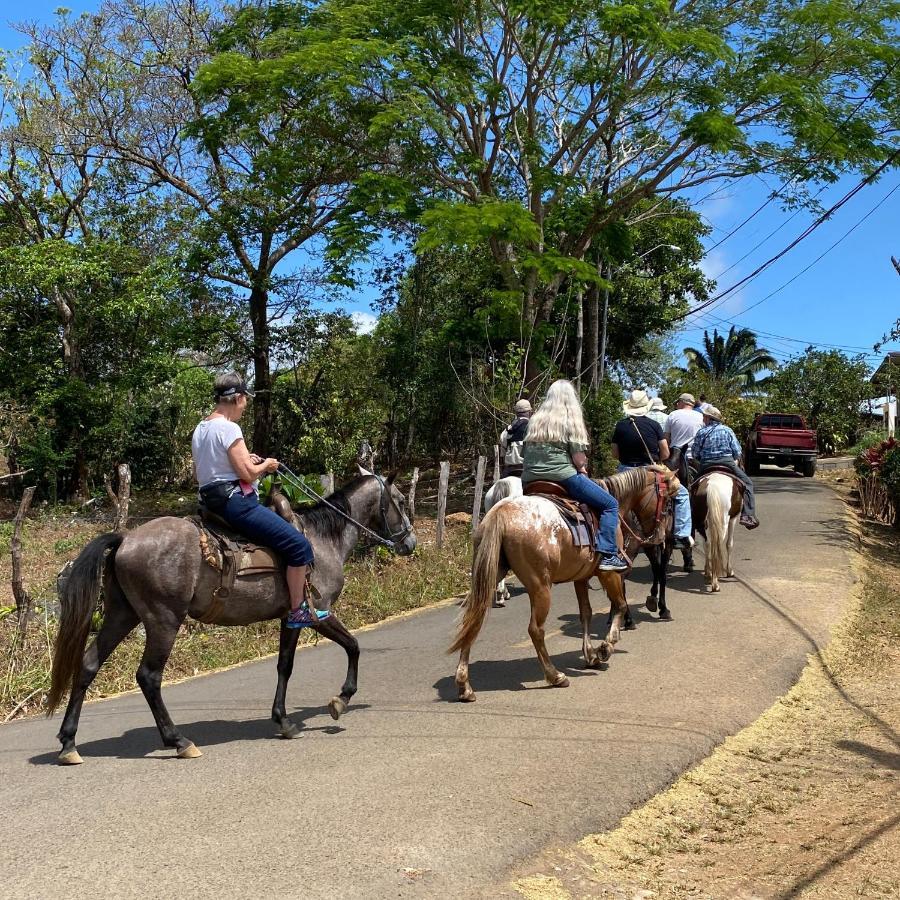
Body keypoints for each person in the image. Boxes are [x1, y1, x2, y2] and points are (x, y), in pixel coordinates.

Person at [191, 373, 318, 628]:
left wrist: (246, 458)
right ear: (237, 398)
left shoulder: (201, 428)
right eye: (244, 401)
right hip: (236, 503)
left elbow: (207, 470)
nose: (245, 407)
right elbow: (247, 474)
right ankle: (297, 611)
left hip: (210, 502)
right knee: (299, 546)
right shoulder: (229, 428)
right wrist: (266, 466)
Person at [522, 380, 628, 572]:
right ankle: (609, 555)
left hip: (530, 480)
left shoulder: (535, 420)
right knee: (610, 504)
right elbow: (579, 460)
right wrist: (582, 467)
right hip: (563, 476)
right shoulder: (570, 420)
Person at [613, 390, 692, 550]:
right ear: (646, 407)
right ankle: (681, 535)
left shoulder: (620, 425)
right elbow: (665, 453)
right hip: (648, 471)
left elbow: (614, 454)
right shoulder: (654, 425)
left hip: (625, 471)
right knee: (682, 494)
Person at [691, 405, 760, 529]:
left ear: (708, 418)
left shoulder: (701, 432)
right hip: (727, 462)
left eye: (704, 416)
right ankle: (747, 515)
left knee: (691, 488)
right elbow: (737, 452)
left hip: (706, 464)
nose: (703, 418)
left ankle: (690, 518)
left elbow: (695, 453)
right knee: (748, 484)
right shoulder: (727, 430)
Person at [664, 393, 705, 465]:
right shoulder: (701, 416)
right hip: (695, 458)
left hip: (675, 457)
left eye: (678, 402)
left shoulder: (673, 414)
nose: (677, 405)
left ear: (682, 402)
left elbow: (666, 438)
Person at [499, 398, 532, 477]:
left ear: (516, 413)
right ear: (530, 412)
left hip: (510, 470)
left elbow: (502, 456)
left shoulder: (507, 430)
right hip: (528, 469)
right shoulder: (535, 429)